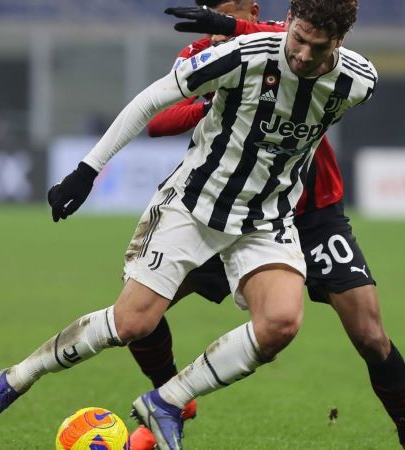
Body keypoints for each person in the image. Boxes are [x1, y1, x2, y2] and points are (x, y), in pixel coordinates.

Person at [0, 1, 382, 449]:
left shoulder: (359, 81)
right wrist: (87, 170)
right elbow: (152, 102)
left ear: (339, 43)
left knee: (281, 323)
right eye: (298, 39)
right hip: (192, 208)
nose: (302, 56)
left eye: (317, 49)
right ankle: (11, 381)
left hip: (266, 218)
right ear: (289, 24)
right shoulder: (247, 55)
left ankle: (167, 402)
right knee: (132, 323)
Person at [127, 2, 405, 449]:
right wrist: (216, 103)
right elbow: (158, 121)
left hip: (313, 214)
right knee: (137, 317)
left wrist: (231, 29)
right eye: (208, 9)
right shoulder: (203, 53)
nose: (212, 16)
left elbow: (281, 33)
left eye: (224, 9)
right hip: (232, 214)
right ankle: (171, 399)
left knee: (371, 335)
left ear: (248, 10)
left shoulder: (294, 42)